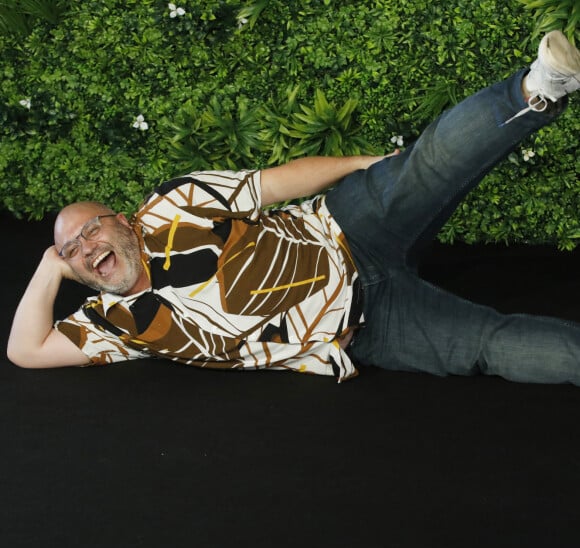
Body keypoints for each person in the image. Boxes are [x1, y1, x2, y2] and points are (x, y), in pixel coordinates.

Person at [7, 31, 580, 384]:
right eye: (72, 250)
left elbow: (273, 184)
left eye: (89, 230)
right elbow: (25, 352)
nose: (84, 248)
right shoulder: (114, 327)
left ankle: (540, 85)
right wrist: (48, 264)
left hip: (345, 228)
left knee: (430, 165)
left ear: (122, 221)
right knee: (489, 346)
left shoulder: (174, 203)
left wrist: (363, 168)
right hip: (364, 327)